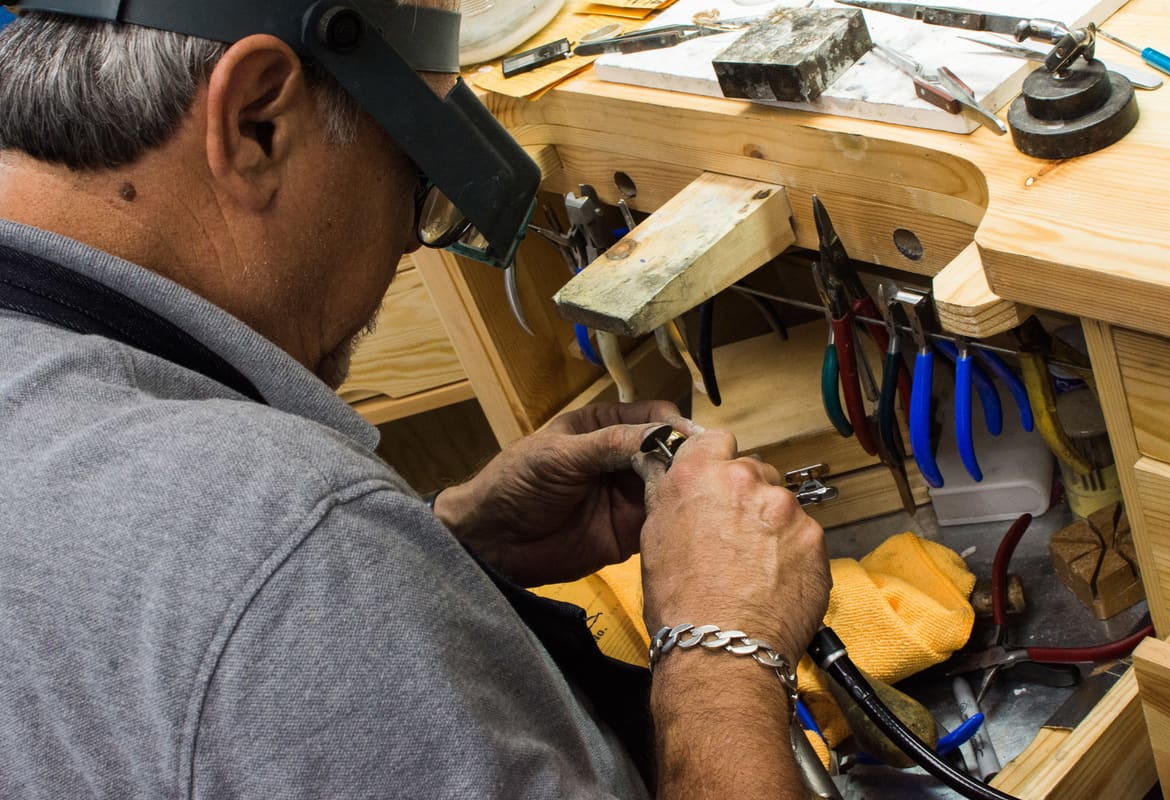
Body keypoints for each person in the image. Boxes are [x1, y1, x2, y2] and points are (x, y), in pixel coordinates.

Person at [0, 2, 832, 798]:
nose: (408, 238)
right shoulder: (272, 535)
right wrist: (720, 648)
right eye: (418, 171)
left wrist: (437, 548)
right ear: (257, 122)